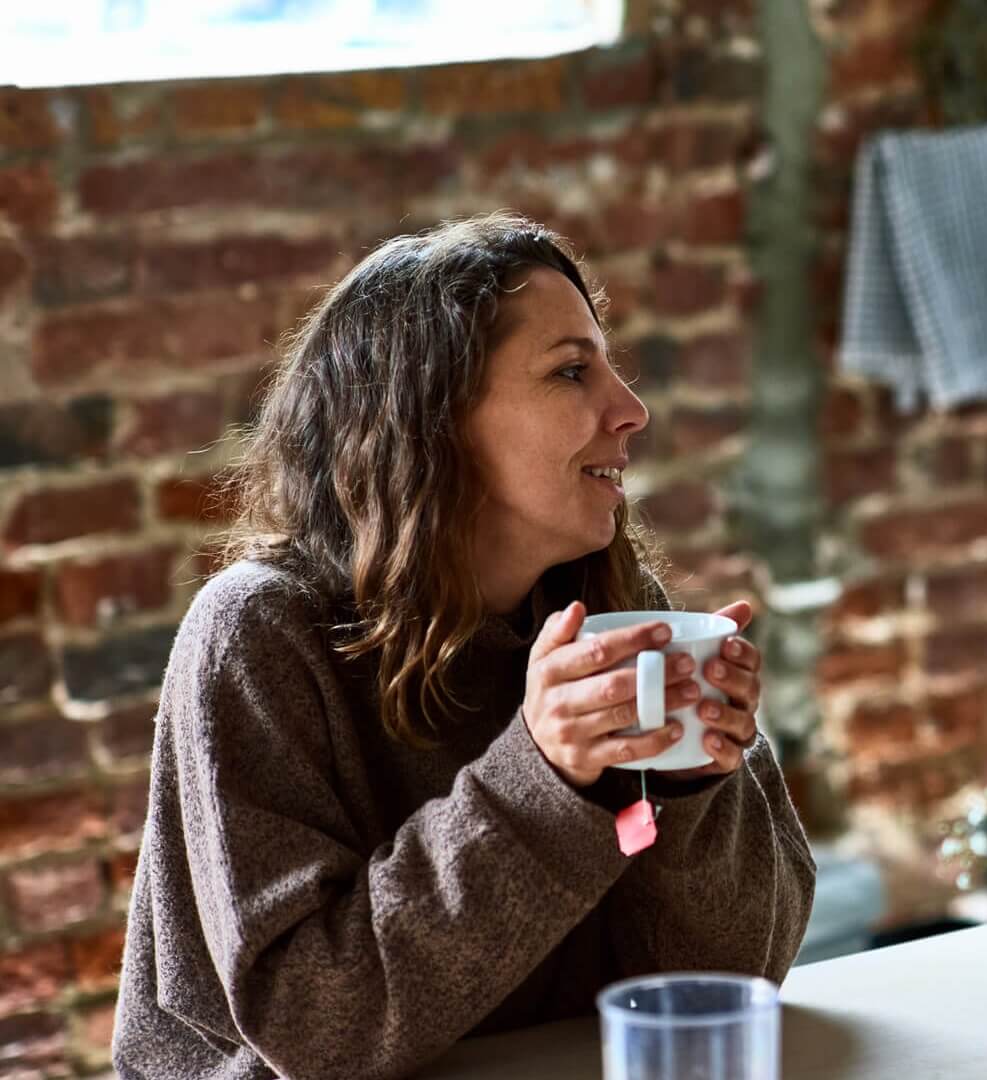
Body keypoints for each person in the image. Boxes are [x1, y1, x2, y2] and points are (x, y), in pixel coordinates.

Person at [114, 213, 816, 1079]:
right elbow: (311, 1026)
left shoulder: (608, 614)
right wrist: (544, 779)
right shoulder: (259, 637)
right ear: (431, 423)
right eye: (570, 372)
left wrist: (689, 781)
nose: (631, 410)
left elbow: (740, 980)